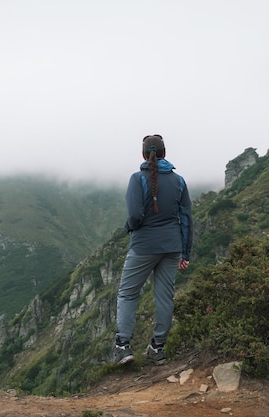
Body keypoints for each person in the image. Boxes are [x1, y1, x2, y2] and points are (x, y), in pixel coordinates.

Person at [115, 134, 193, 365]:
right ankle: (157, 348)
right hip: (172, 247)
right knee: (164, 297)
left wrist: (129, 227)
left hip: (144, 246)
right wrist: (185, 252)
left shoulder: (137, 179)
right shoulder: (179, 181)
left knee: (128, 293)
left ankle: (123, 346)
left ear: (143, 155)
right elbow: (187, 217)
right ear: (165, 154)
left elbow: (135, 215)